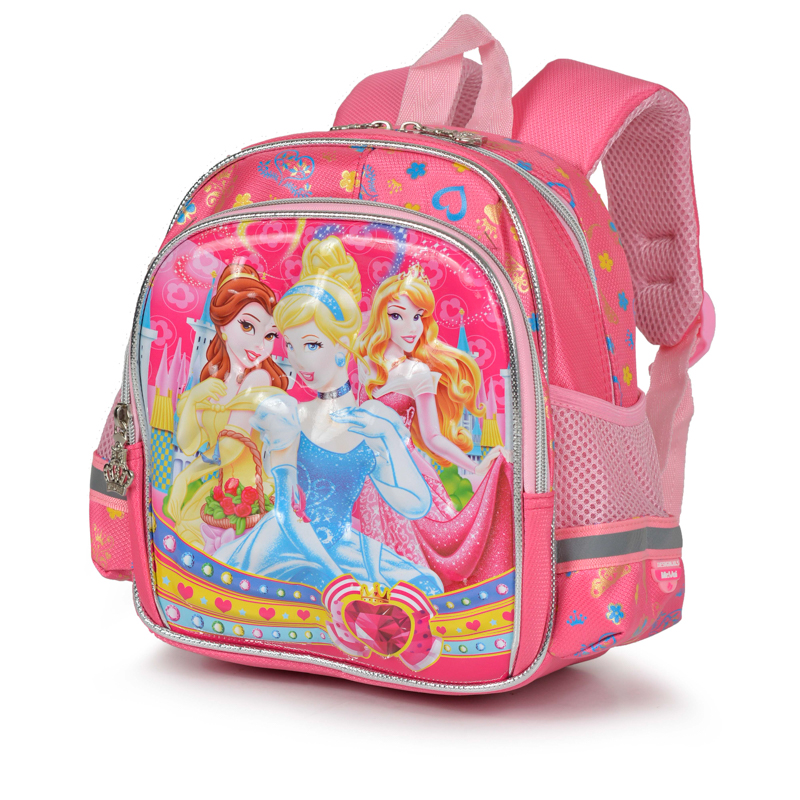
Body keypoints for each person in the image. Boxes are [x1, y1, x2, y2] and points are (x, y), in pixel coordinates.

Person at [215, 237, 443, 601]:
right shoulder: (289, 413)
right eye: (290, 345)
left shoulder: (373, 420)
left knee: (426, 586)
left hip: (345, 547)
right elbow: (287, 515)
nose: (298, 360)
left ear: (342, 345)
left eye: (312, 345)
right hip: (287, 545)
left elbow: (415, 505)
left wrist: (387, 437)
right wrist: (337, 579)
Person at [353, 267, 512, 589]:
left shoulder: (418, 373)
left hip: (406, 472)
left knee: (421, 548)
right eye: (397, 316)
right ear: (382, 317)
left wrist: (474, 467)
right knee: (372, 553)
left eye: (418, 317)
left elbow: (432, 436)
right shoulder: (366, 361)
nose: (411, 327)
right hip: (368, 474)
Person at [166, 263, 287, 549]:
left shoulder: (259, 380)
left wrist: (188, 475)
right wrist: (193, 399)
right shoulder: (213, 383)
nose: (260, 345)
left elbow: (230, 449)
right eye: (247, 326)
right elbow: (187, 444)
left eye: (270, 335)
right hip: (217, 495)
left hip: (248, 500)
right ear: (222, 327)